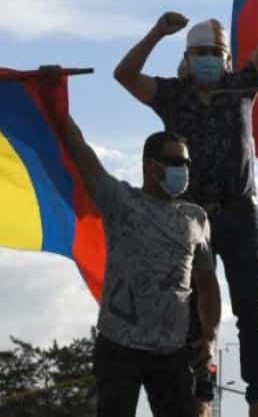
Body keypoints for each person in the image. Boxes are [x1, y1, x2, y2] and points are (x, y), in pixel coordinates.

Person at [113, 0, 258, 417]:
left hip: (238, 211)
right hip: (190, 218)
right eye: (200, 54)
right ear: (186, 59)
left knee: (249, 309)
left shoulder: (241, 87)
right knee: (190, 310)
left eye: (216, 54)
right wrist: (156, 32)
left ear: (227, 58)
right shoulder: (172, 95)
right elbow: (124, 75)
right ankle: (202, 396)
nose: (209, 61)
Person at [59, 117, 221, 417]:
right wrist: (53, 96)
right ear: (150, 165)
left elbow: (208, 284)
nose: (182, 169)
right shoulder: (121, 201)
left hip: (172, 352)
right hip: (119, 346)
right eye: (173, 161)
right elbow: (80, 151)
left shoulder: (196, 218)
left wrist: (209, 336)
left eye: (185, 162)